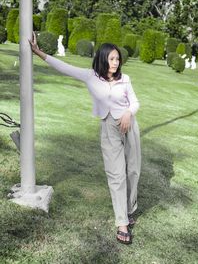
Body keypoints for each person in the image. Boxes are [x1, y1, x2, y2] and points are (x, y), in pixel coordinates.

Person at [29, 33, 141, 245]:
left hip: (129, 126)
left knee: (133, 171)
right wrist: (38, 52)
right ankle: (122, 223)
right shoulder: (90, 76)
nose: (116, 63)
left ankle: (127, 210)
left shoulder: (125, 79)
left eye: (118, 59)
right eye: (112, 59)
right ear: (103, 59)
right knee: (116, 174)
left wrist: (128, 113)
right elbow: (64, 67)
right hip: (109, 128)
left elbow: (135, 102)